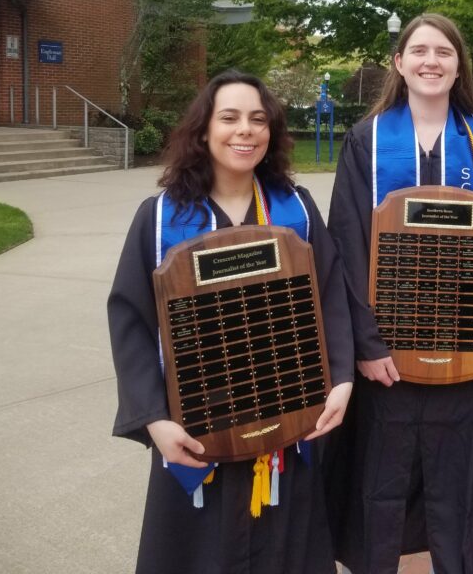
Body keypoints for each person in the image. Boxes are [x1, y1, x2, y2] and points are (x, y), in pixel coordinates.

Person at [106, 70, 354, 574]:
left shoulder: (296, 210)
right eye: (230, 118)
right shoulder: (159, 219)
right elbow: (130, 319)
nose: (246, 130)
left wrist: (342, 378)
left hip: (287, 421)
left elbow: (332, 296)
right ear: (203, 130)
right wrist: (153, 418)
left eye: (258, 120)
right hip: (198, 430)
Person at [325, 13, 473, 574]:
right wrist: (366, 346)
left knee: (468, 493)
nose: (431, 61)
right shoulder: (365, 142)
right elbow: (345, 244)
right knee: (380, 484)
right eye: (418, 50)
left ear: (458, 65)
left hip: (470, 354)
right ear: (398, 63)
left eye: (443, 52)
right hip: (387, 357)